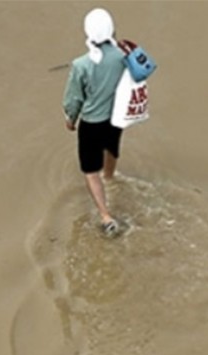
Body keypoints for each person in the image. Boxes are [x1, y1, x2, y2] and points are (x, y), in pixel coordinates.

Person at [62, 8, 128, 237]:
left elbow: (74, 98)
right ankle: (111, 178)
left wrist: (70, 119)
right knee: (111, 149)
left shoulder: (81, 64)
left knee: (90, 171)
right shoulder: (122, 56)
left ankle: (105, 216)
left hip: (91, 123)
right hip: (116, 118)